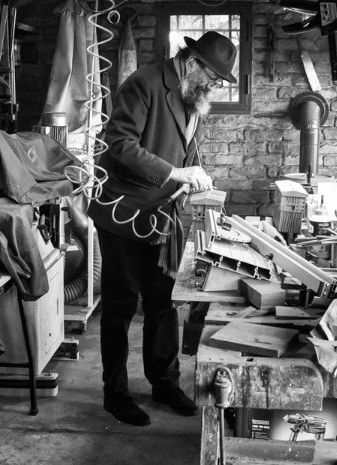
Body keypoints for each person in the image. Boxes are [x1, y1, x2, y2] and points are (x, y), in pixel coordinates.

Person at [87, 31, 238, 426]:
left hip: (162, 214)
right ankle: (115, 394)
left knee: (163, 303)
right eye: (214, 79)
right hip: (123, 211)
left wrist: (191, 176)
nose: (215, 88)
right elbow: (118, 144)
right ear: (191, 64)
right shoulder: (144, 83)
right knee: (119, 306)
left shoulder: (193, 96)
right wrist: (174, 172)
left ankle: (164, 382)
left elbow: (184, 148)